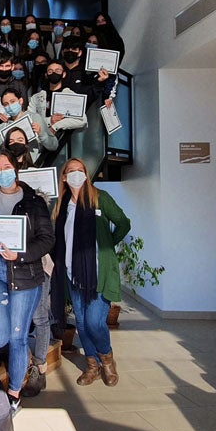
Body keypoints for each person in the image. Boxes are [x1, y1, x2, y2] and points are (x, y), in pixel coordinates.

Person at [0, 151, 54, 412]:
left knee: (18, 337)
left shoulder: (34, 201)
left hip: (25, 274)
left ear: (15, 169)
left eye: (7, 166)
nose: (3, 171)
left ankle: (14, 394)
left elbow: (46, 239)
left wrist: (22, 254)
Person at [54, 157, 130, 387]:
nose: (76, 174)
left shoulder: (100, 198)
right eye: (71, 171)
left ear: (86, 174)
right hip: (73, 274)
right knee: (82, 323)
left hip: (98, 273)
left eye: (80, 170)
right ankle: (92, 366)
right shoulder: (62, 205)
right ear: (64, 177)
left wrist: (107, 245)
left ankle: (107, 360)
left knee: (94, 323)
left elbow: (123, 223)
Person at [0, 87, 57, 163]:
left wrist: (41, 133)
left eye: (12, 101)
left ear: (20, 101)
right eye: (6, 104)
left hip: (33, 164)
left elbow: (54, 145)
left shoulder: (34, 118)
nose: (10, 106)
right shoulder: (2, 127)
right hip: (13, 165)